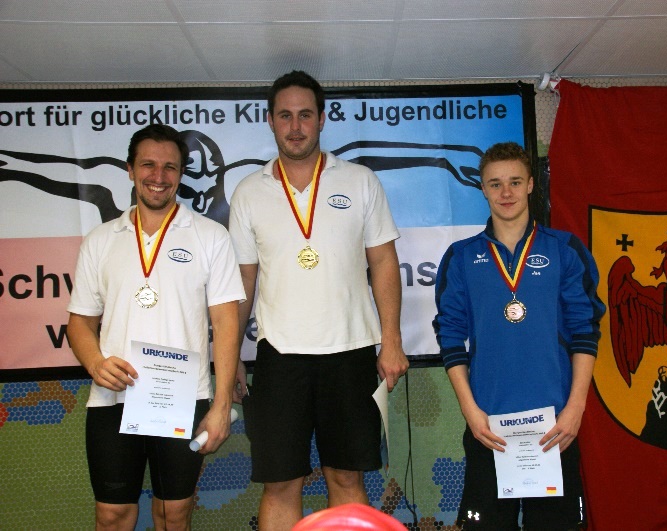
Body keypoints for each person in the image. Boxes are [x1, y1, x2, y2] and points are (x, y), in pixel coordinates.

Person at [228, 70, 409, 529]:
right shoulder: (249, 192)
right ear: (270, 121)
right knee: (280, 483)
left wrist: (391, 340)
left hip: (351, 352)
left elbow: (384, 263)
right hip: (279, 356)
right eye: (285, 116)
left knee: (346, 477)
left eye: (305, 115)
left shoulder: (360, 181)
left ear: (322, 119)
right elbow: (243, 283)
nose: (295, 126)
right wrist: (229, 360)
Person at [66, 124, 245, 530]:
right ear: (130, 170)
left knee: (173, 514)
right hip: (114, 398)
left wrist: (220, 406)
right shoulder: (100, 240)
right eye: (148, 165)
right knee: (112, 514)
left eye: (170, 167)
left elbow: (226, 323)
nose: (159, 176)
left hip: (183, 398)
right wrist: (96, 363)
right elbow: (79, 322)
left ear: (180, 173)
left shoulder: (210, 237)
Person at [432, 142, 606, 530]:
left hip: (555, 427)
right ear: (482, 188)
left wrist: (575, 408)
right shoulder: (461, 257)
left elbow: (585, 330)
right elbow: (450, 337)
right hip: (488, 428)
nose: (505, 192)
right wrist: (470, 411)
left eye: (514, 182)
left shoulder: (565, 250)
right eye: (495, 184)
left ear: (530, 184)